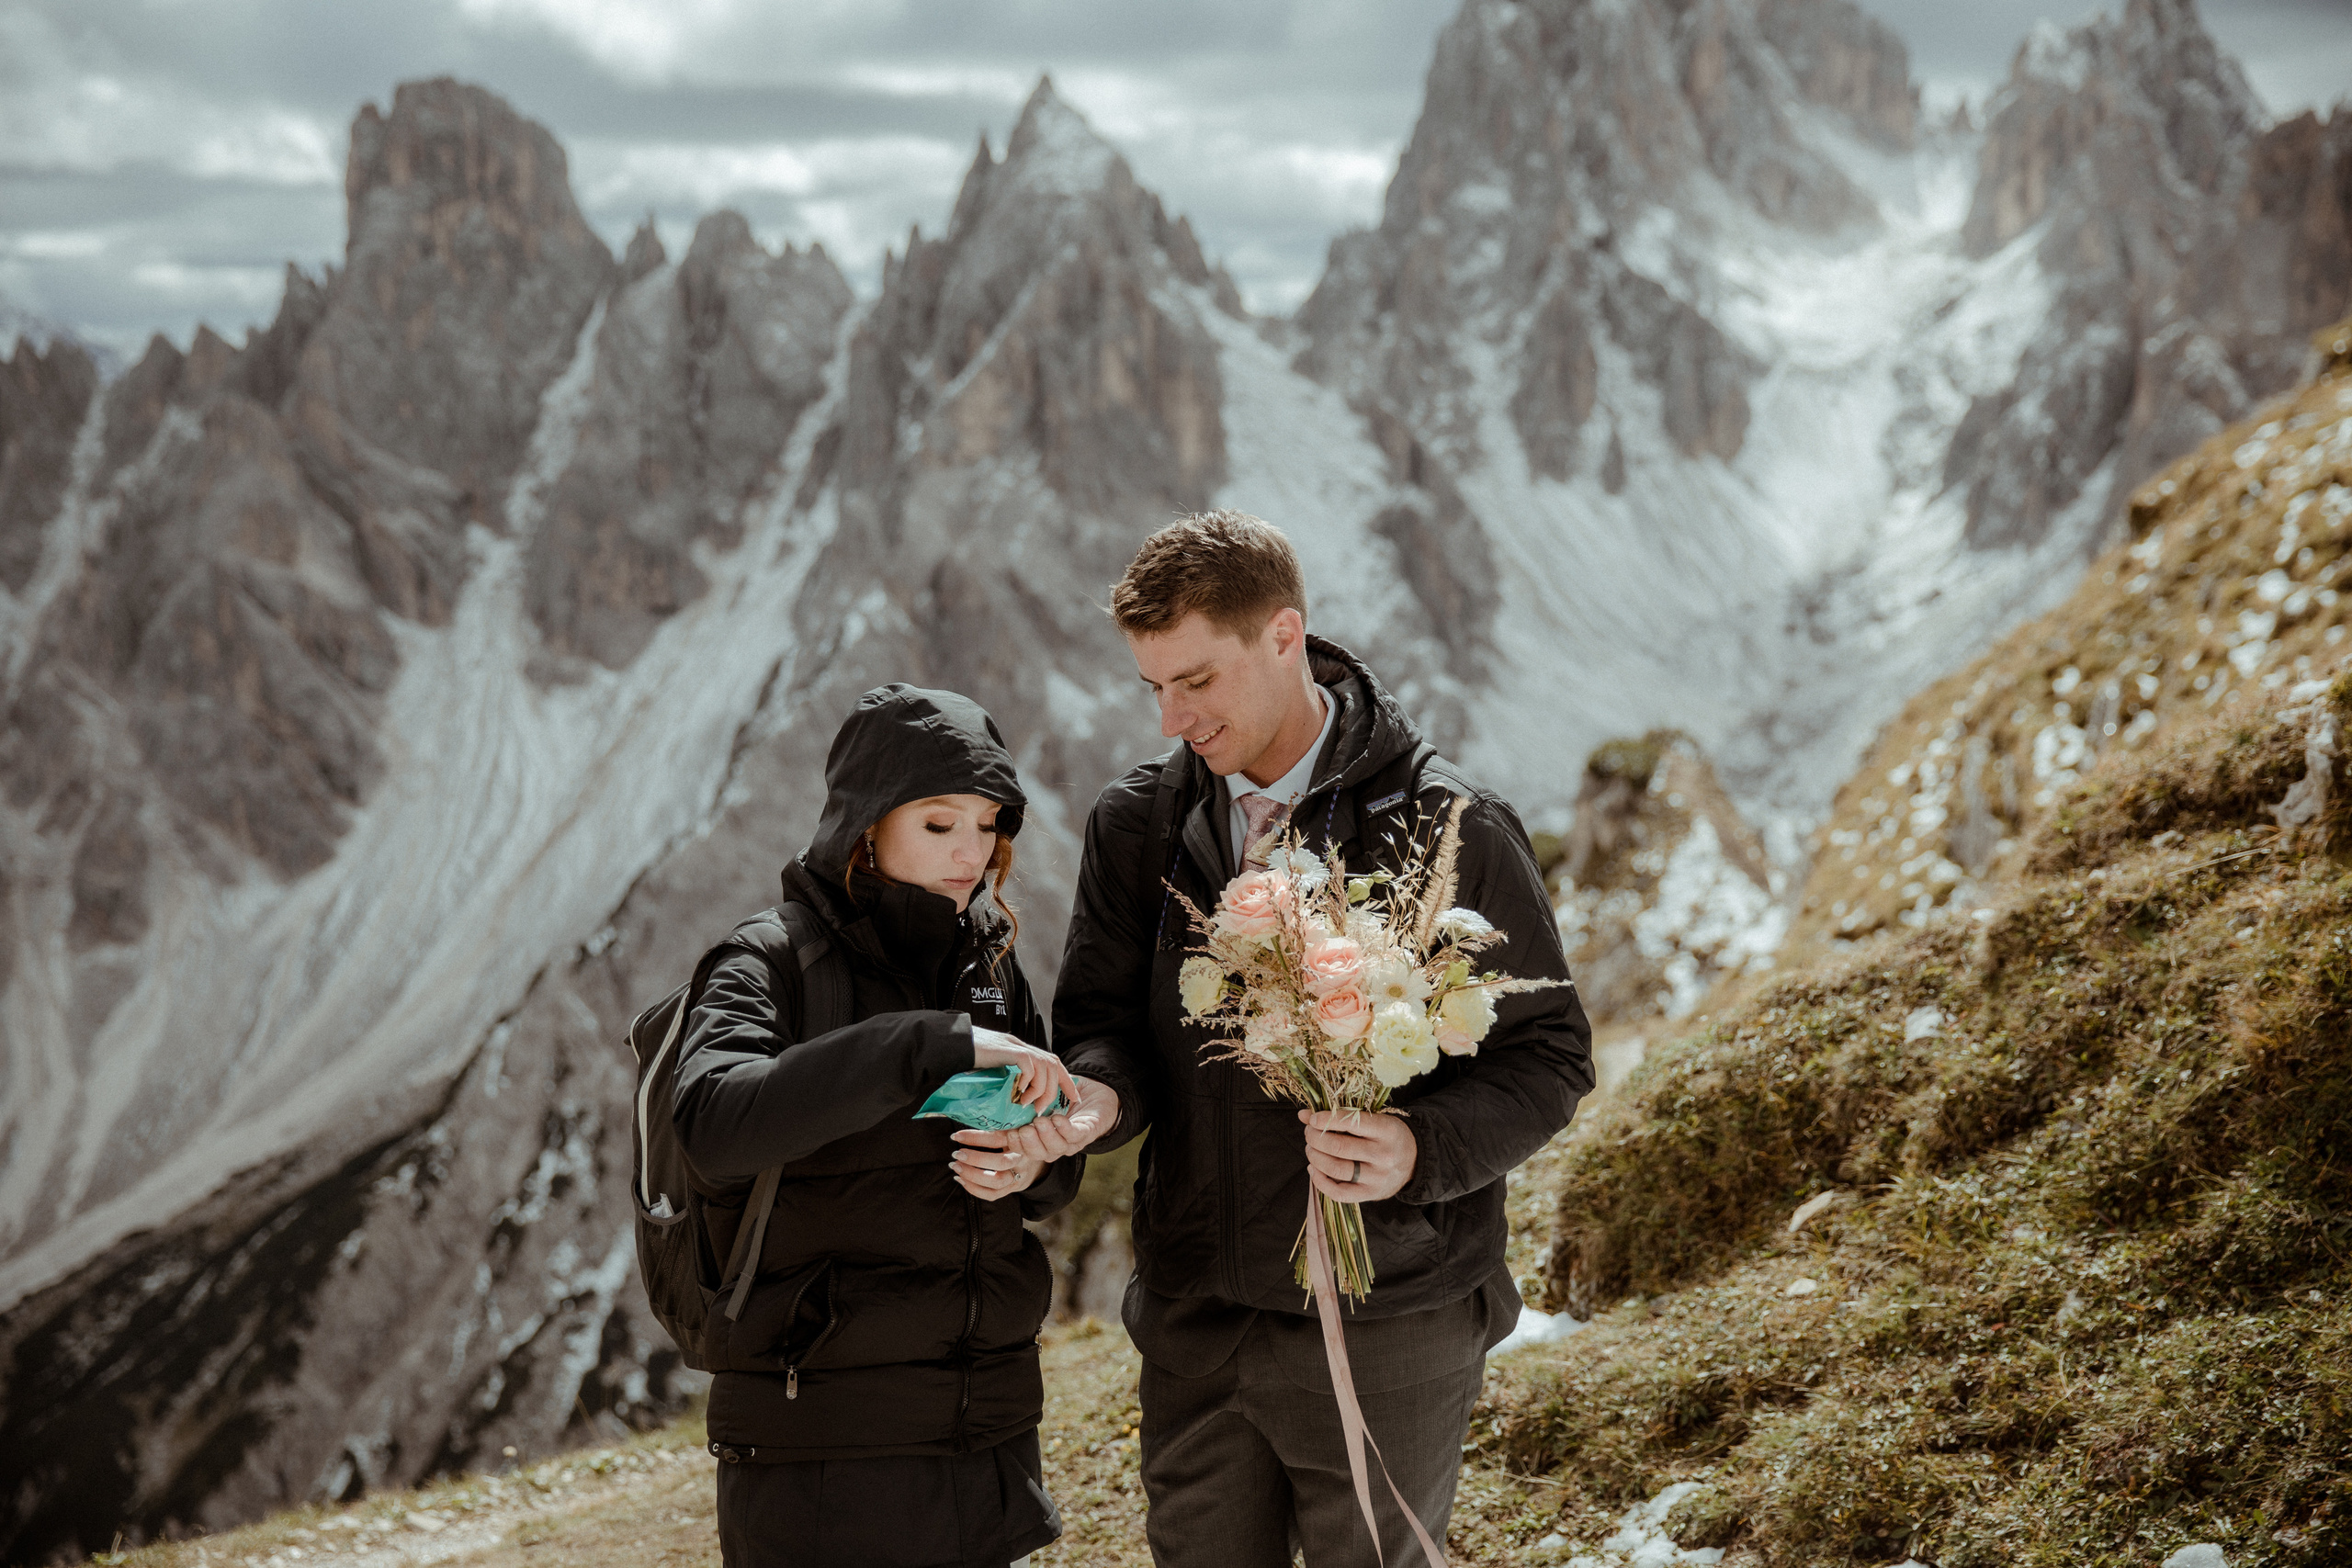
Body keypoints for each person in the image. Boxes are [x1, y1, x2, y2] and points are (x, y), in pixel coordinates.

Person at [1007, 510, 1596, 1565]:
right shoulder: (1132, 823)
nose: (1169, 718)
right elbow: (1100, 1026)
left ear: (1285, 637)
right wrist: (1097, 1101)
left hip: (1392, 1318)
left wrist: (1420, 1151)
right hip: (1195, 1316)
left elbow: (1550, 1057)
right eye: (1152, 686)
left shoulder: (1447, 822)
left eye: (1195, 681)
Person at [672, 683, 1105, 1568]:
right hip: (823, 1457)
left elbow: (1047, 1174)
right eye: (940, 825)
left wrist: (1034, 1162)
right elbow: (711, 1121)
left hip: (984, 1437)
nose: (972, 853)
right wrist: (927, 1044)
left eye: (988, 826)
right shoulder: (769, 959)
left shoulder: (986, 962)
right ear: (866, 827)